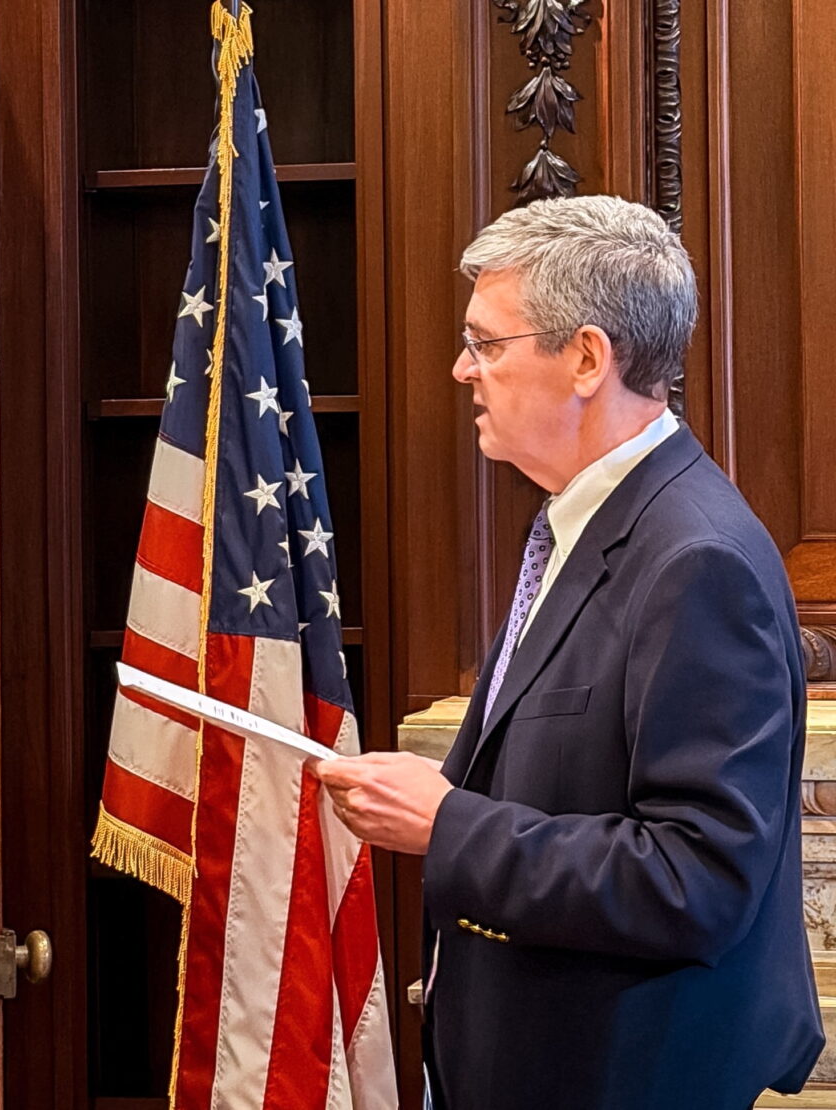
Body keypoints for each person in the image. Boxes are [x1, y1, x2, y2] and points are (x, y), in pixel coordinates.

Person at [314, 196, 822, 1109]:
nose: (462, 369)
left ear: (588, 358)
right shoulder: (582, 522)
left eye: (488, 344)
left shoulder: (696, 558)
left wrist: (446, 824)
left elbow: (696, 878)